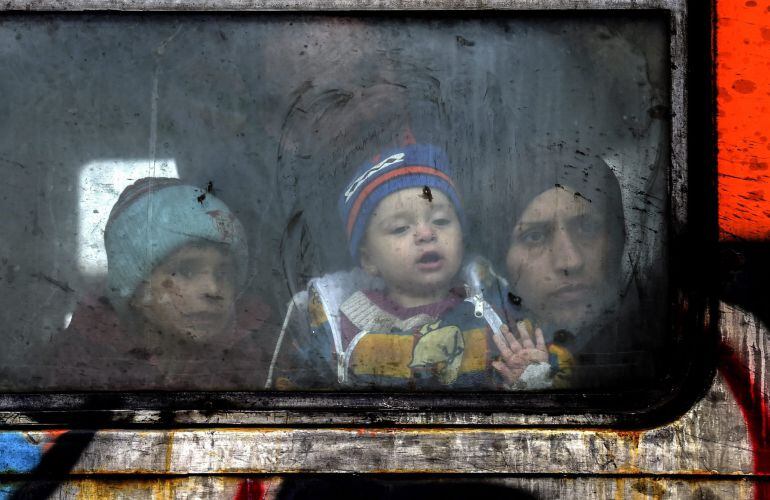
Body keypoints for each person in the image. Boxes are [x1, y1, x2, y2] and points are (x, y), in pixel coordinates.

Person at [269, 144, 549, 390]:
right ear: (368, 260)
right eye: (401, 228)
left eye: (440, 221)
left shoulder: (494, 308)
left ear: (461, 238)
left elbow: (553, 362)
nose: (426, 234)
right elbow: (296, 389)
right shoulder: (341, 326)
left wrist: (529, 375)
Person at [40, 177, 271, 390]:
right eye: (186, 270)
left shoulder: (262, 361)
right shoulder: (70, 370)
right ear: (137, 289)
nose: (213, 289)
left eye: (224, 273)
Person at [498, 145, 658, 389]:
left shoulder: (660, 348)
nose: (570, 261)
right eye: (535, 237)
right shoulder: (480, 359)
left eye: (587, 228)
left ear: (618, 239)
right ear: (500, 260)